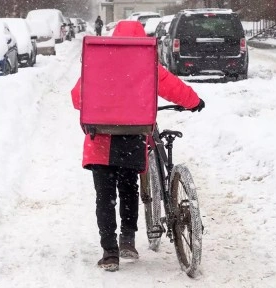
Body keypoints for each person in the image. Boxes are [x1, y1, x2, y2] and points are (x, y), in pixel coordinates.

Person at [70, 20, 205, 272]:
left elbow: (77, 99)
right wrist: (194, 101)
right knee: (130, 189)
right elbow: (172, 87)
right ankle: (128, 241)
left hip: (100, 140)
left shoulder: (99, 64)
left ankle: (110, 253)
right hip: (132, 138)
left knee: (105, 197)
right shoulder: (146, 64)